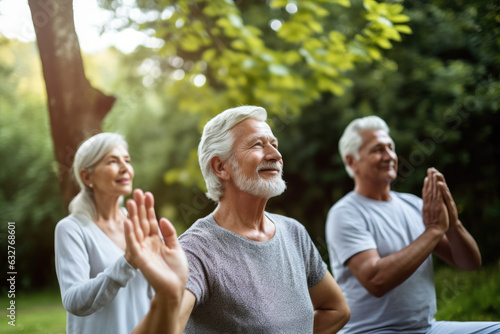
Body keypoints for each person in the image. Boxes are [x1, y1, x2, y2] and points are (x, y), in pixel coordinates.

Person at [135, 105, 351, 333]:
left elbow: (337, 310)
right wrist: (167, 298)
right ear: (220, 167)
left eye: (274, 145)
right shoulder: (196, 249)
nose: (275, 155)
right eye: (257, 144)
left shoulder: (293, 232)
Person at [325, 115, 500, 333]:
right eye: (378, 149)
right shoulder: (345, 213)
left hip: (426, 328)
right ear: (351, 161)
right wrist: (434, 231)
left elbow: (469, 263)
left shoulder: (415, 205)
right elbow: (376, 280)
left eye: (391, 148)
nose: (389, 156)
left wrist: (453, 224)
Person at [54, 133, 154, 333]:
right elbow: (74, 301)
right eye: (112, 161)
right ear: (87, 176)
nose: (125, 168)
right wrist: (126, 264)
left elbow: (158, 296)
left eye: (127, 160)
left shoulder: (142, 224)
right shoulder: (71, 229)